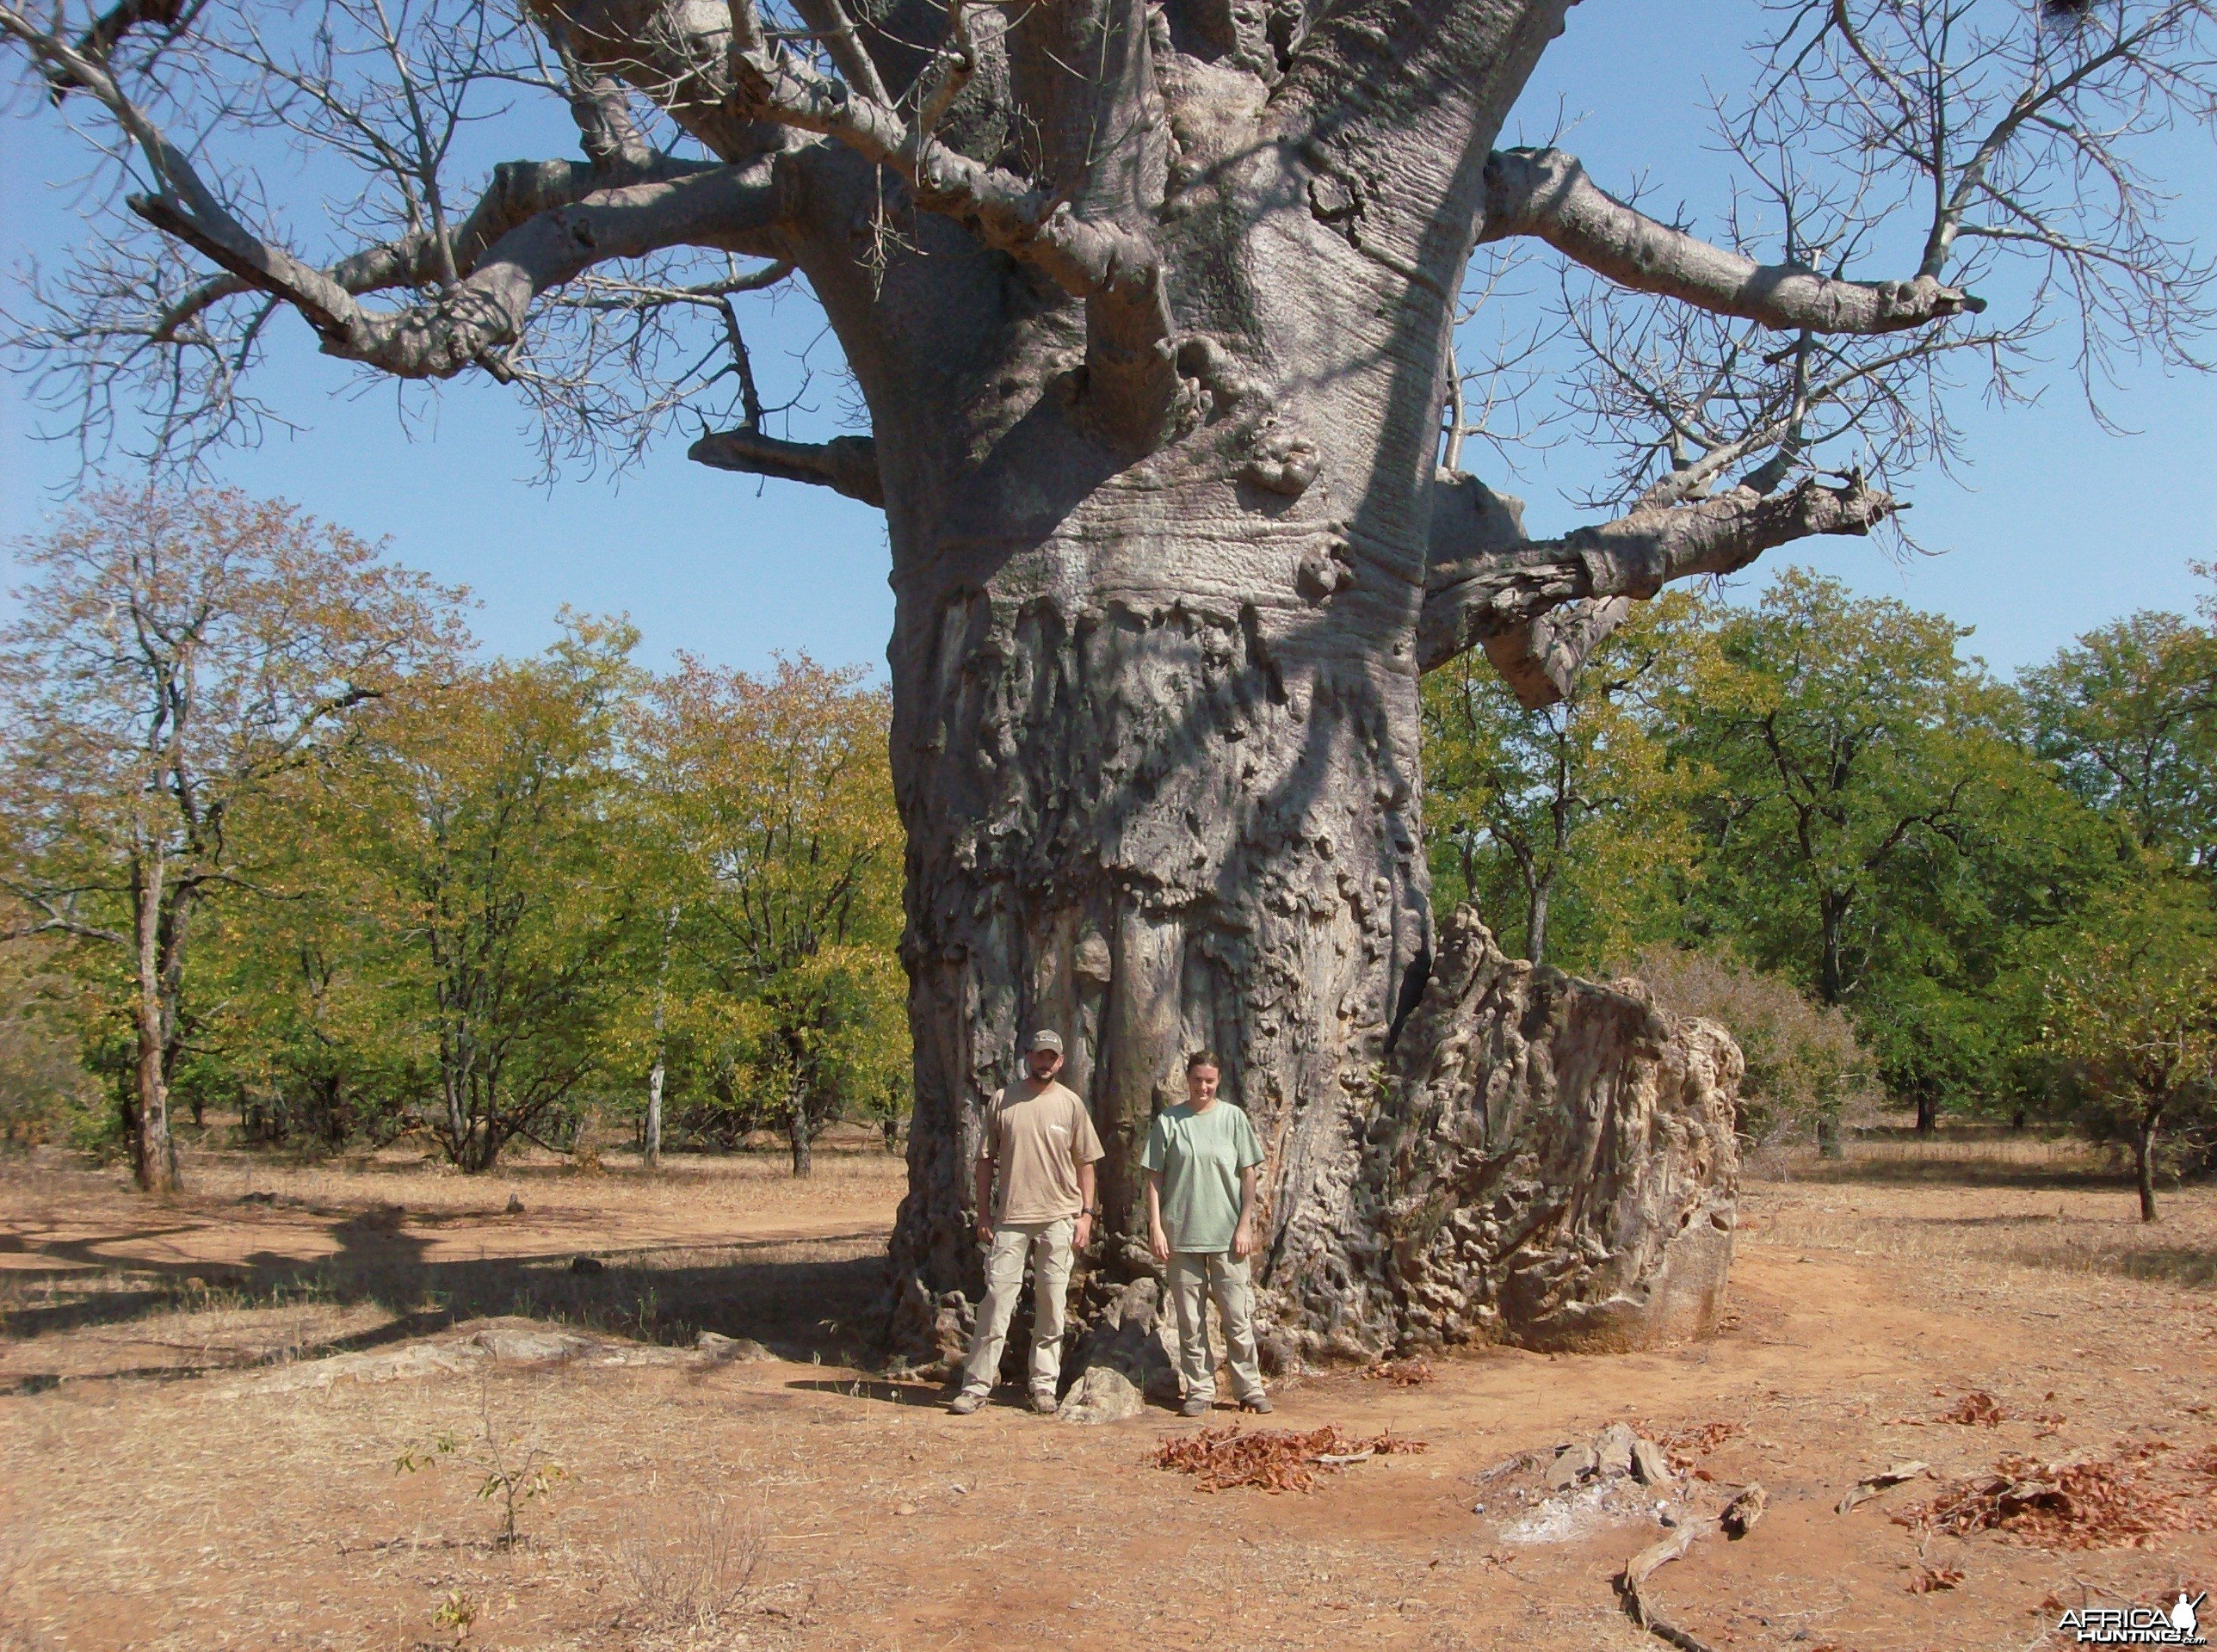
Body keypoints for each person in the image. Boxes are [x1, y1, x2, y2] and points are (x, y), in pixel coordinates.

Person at [948, 1029, 1104, 1415]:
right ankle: (977, 1385)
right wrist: (984, 1212)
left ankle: (1043, 1385)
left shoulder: (1070, 1105)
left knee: (1052, 1304)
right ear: (1028, 1056)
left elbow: (1086, 1163)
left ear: (1061, 1061)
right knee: (997, 1300)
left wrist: (1086, 1214)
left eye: (1052, 1057)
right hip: (1012, 1218)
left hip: (1058, 1217)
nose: (1045, 1062)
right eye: (1039, 1055)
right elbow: (985, 1159)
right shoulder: (1003, 1101)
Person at [1143, 1049, 1272, 1418]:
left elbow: (1249, 1174)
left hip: (1228, 1237)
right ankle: (1199, 1388)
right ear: (1188, 1078)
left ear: (1218, 1082)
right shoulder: (1170, 1121)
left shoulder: (1233, 1119)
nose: (1204, 1086)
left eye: (1210, 1081)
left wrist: (1245, 1223)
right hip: (1181, 1233)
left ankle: (1249, 1387)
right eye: (1198, 1079)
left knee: (1236, 1315)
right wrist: (1156, 1224)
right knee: (1190, 1319)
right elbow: (1154, 1176)